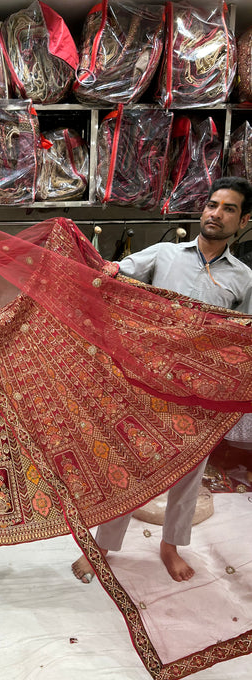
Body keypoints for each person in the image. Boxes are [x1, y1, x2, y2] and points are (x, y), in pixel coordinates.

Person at [72, 176, 252, 584]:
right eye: (212, 204)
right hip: (148, 384)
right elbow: (111, 274)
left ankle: (170, 545)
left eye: (228, 209)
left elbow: (245, 338)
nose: (215, 213)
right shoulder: (164, 254)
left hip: (200, 394)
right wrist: (79, 252)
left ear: (242, 221)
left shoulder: (243, 279)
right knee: (128, 463)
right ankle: (103, 546)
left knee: (189, 472)